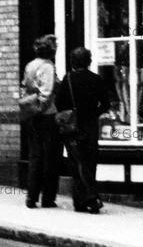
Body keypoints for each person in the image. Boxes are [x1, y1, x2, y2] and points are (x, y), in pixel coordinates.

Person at [55, 47, 109, 213]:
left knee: (77, 163)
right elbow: (105, 104)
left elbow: (59, 103)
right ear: (89, 61)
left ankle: (81, 201)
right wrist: (93, 113)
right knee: (89, 162)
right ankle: (91, 198)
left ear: (72, 62)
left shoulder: (68, 79)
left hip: (73, 127)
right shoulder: (96, 79)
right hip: (90, 126)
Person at [22, 34, 60, 209]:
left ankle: (31, 196)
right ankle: (48, 198)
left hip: (30, 115)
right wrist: (41, 108)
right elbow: (46, 92)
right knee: (49, 158)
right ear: (51, 51)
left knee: (35, 156)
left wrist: (32, 109)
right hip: (46, 116)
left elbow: (25, 86)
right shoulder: (47, 66)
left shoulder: (30, 65)